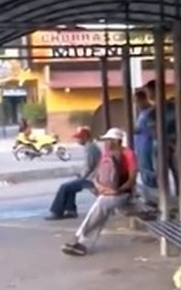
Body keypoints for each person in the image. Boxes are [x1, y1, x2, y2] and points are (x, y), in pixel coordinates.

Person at [62, 127, 137, 257]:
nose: (107, 143)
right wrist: (99, 186)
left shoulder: (129, 154)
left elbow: (131, 180)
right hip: (107, 192)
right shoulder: (107, 154)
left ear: (117, 141)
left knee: (101, 205)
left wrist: (115, 191)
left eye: (109, 140)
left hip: (123, 193)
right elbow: (98, 174)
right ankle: (82, 242)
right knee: (101, 207)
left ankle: (79, 239)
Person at [45, 126, 102, 220]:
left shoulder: (91, 148)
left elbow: (89, 167)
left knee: (64, 187)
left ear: (85, 137)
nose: (77, 140)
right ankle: (70, 210)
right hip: (91, 176)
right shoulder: (90, 146)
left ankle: (56, 212)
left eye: (79, 138)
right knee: (70, 187)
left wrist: (81, 177)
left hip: (92, 179)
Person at [142, 80, 178, 196]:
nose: (147, 95)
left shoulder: (152, 113)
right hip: (176, 146)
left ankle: (167, 203)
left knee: (163, 178)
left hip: (163, 147)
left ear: (154, 91)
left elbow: (155, 133)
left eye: (148, 91)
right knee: (178, 177)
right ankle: (180, 202)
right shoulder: (174, 107)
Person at [133, 89, 156, 189]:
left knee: (148, 170)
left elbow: (150, 129)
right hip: (140, 145)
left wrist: (135, 130)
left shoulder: (150, 112)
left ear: (142, 99)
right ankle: (149, 191)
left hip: (147, 145)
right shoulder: (142, 113)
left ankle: (153, 193)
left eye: (137, 101)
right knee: (143, 169)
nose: (136, 104)